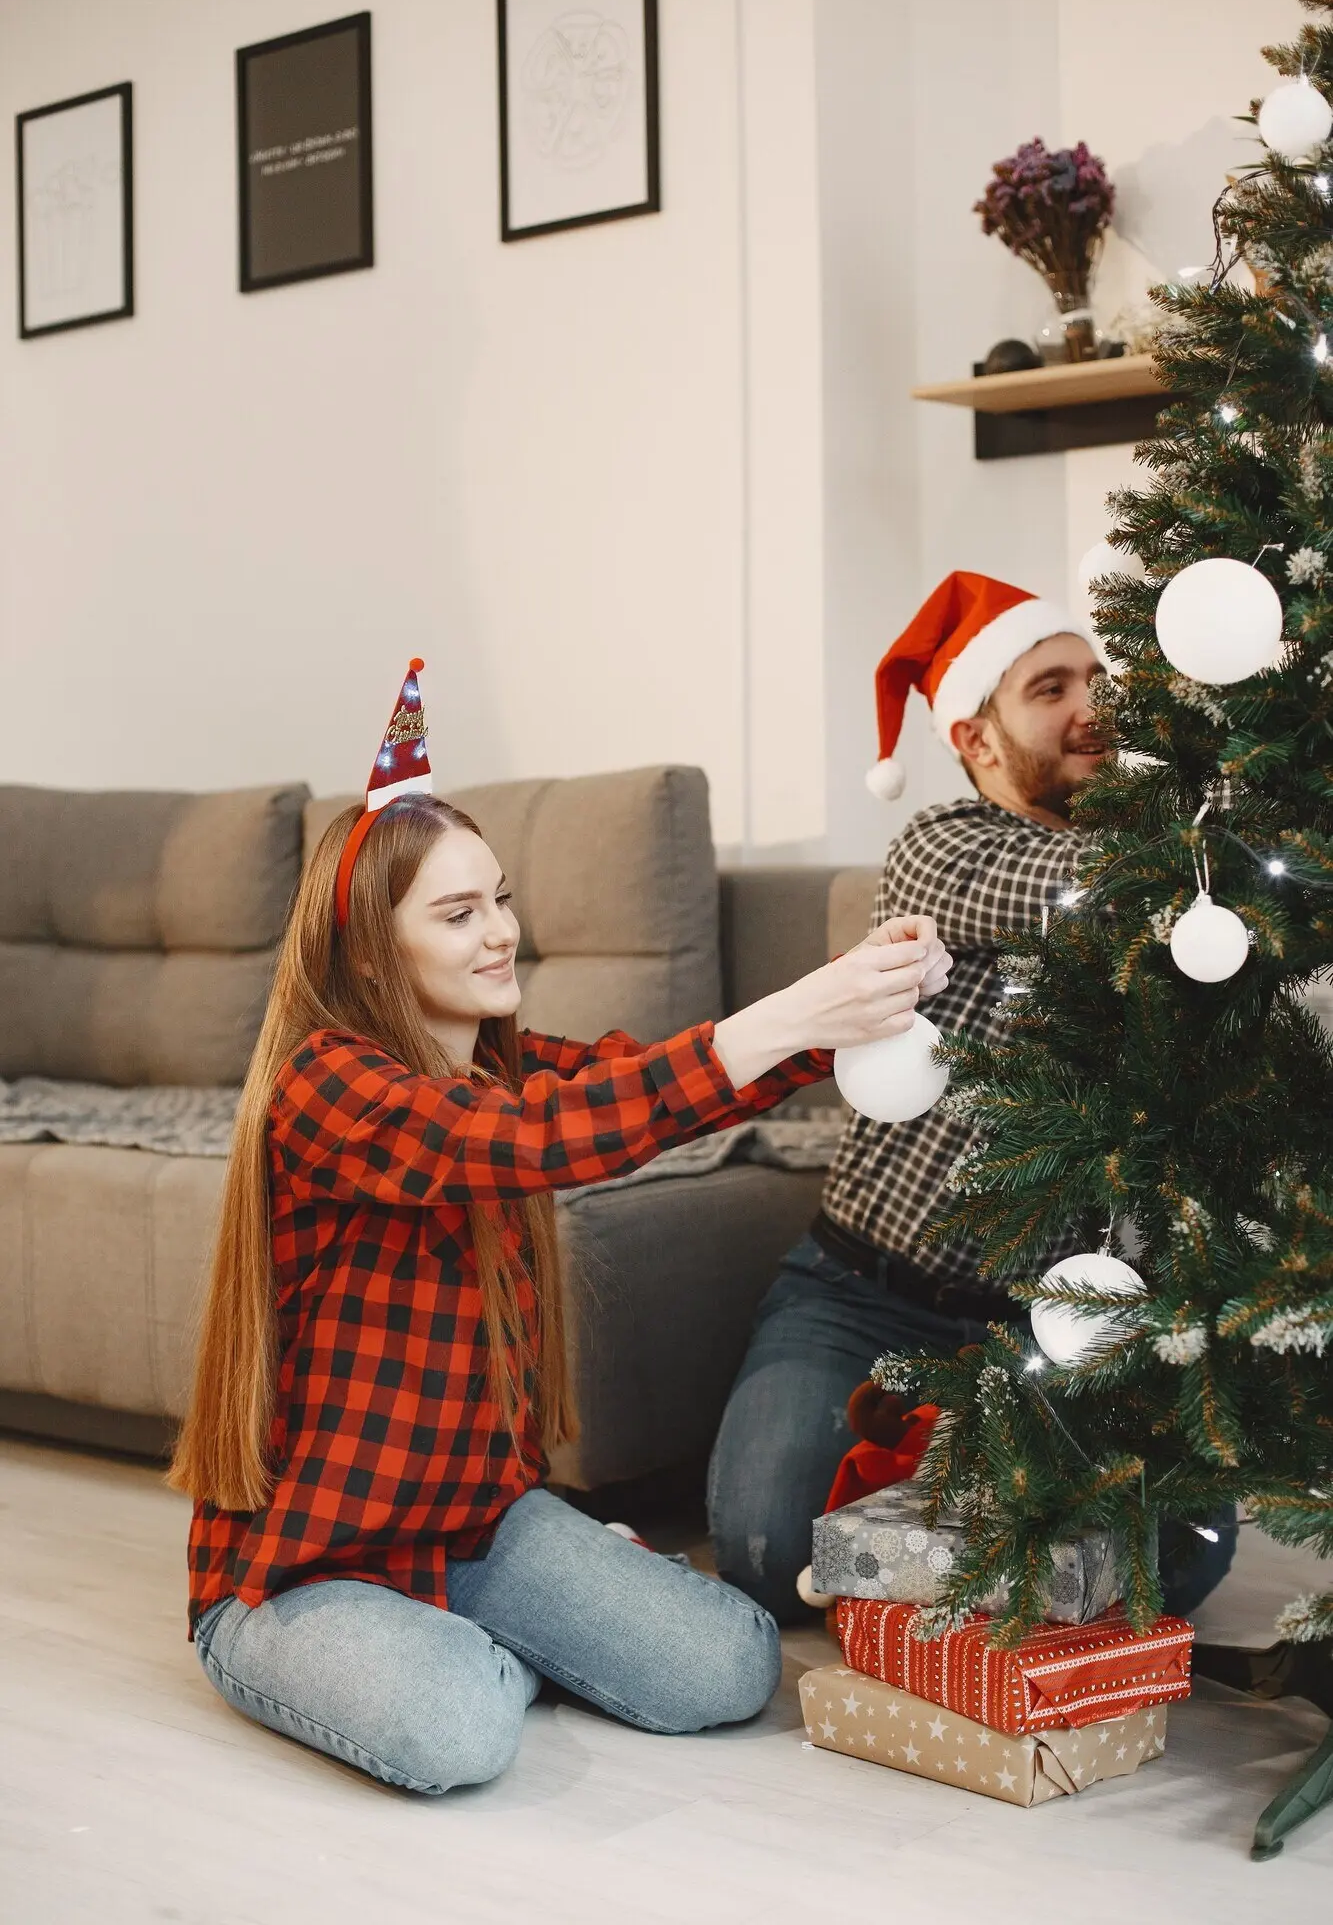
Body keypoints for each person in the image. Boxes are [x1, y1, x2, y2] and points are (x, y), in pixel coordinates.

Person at [166, 658, 951, 1796]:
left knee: (730, 1664)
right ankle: (364, 1655)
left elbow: (630, 1087)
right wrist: (789, 1015)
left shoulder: (497, 1066)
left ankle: (486, 1634)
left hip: (472, 1523)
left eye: (501, 897)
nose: (503, 934)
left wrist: (846, 1010)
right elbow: (531, 1138)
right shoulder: (324, 1083)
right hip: (304, 1564)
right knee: (453, 1729)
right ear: (372, 947)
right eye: (458, 911)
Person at [708, 570, 1238, 1624]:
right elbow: (1085, 895)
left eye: (1098, 677)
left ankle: (946, 1523)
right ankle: (965, 1528)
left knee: (1184, 1558)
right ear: (977, 737)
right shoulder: (940, 846)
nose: (1094, 705)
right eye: (1051, 687)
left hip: (1055, 1317)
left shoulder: (1183, 883)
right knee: (765, 1547)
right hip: (861, 1291)